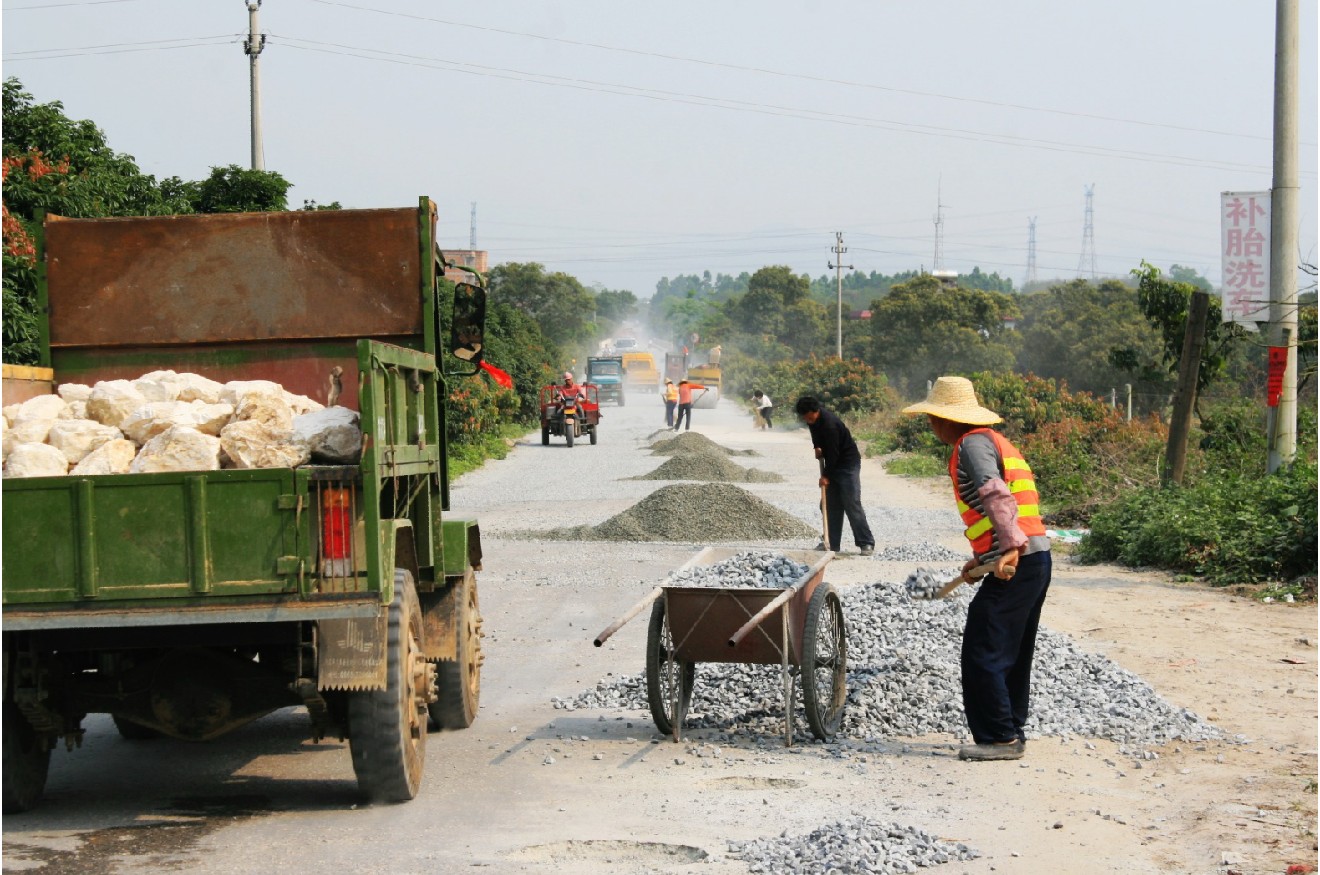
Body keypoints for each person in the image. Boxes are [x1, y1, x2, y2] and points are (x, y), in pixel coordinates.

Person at [901, 375, 1051, 763]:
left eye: (932, 417)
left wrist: (1010, 547)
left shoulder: (970, 445)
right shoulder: (990, 440)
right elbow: (1002, 507)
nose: (930, 424)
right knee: (1011, 650)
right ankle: (1010, 731)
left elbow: (993, 491)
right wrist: (984, 558)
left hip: (1020, 558)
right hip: (1035, 558)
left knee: (984, 646)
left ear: (947, 419)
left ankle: (1000, 738)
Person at [794, 396, 874, 557]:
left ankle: (866, 542)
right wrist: (817, 446)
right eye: (805, 418)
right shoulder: (813, 421)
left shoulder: (830, 424)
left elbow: (833, 454)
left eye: (809, 417)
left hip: (847, 464)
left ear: (815, 411)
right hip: (833, 463)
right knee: (830, 504)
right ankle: (831, 543)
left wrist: (826, 476)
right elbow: (815, 434)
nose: (807, 421)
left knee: (851, 502)